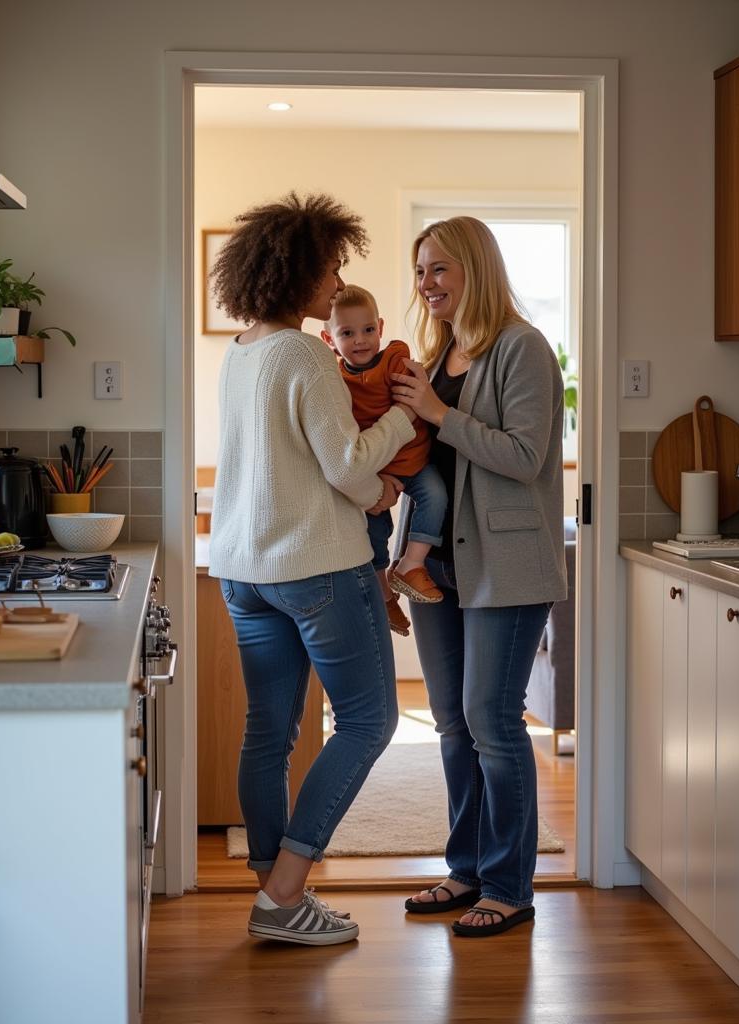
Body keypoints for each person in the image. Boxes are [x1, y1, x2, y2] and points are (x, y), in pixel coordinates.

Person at [207, 192, 416, 946]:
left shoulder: (244, 351)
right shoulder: (303, 352)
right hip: (320, 567)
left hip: (243, 570)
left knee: (270, 730)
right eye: (330, 266)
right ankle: (286, 895)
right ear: (298, 269)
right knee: (369, 720)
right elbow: (348, 467)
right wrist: (402, 424)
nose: (336, 283)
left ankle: (277, 893)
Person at [391, 216, 567, 937]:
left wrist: (437, 413)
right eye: (421, 271)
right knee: (453, 726)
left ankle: (508, 885)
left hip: (509, 568)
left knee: (494, 723)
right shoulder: (440, 357)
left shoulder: (521, 349)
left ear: (475, 271)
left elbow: (525, 456)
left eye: (439, 270)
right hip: (440, 571)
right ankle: (465, 871)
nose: (426, 284)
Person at [321, 283, 448, 637]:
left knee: (436, 496)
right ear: (329, 339)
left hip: (413, 459)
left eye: (367, 330)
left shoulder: (394, 358)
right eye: (347, 333)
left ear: (380, 327)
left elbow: (412, 396)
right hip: (375, 470)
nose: (360, 340)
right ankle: (384, 593)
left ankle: (411, 565)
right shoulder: (334, 377)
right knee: (373, 532)